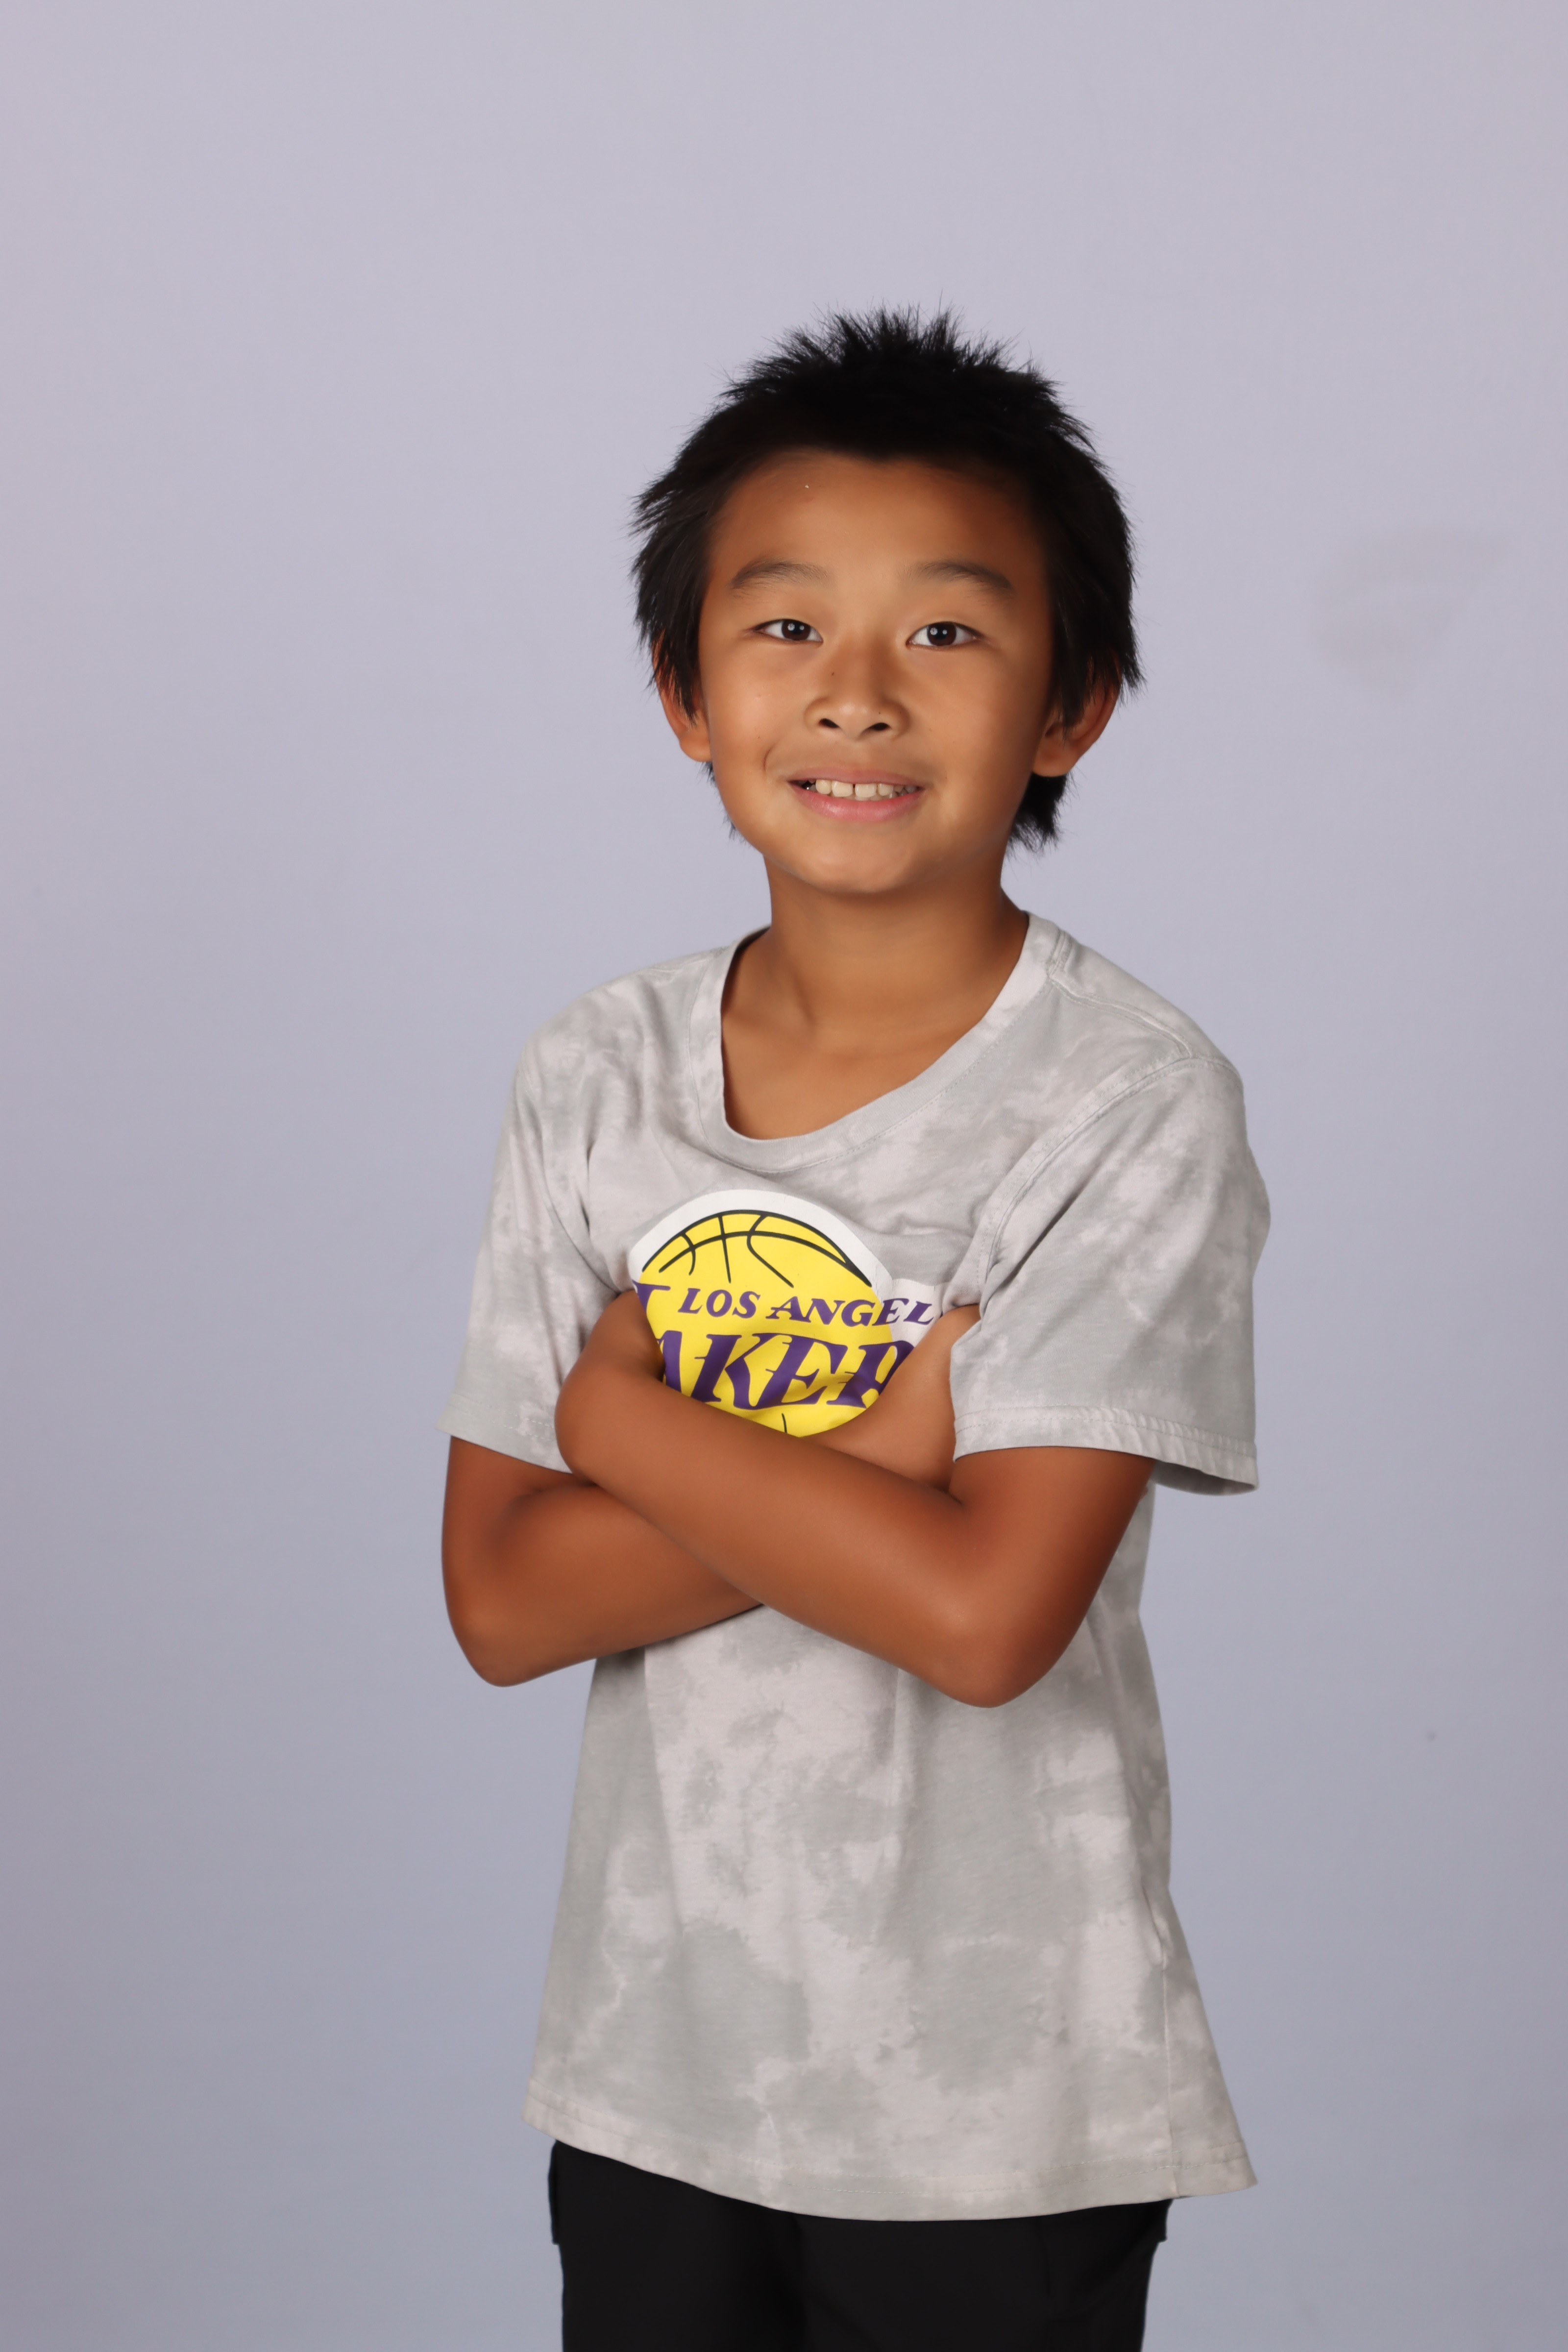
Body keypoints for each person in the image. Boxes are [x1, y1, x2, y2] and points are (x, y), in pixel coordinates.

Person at [439, 310, 1268, 2351]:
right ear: (685, 693)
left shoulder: (1124, 1098)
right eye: (786, 625)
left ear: (1069, 705)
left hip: (997, 2105)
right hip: (657, 2064)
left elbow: (982, 1622)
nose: (857, 694)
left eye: (949, 632)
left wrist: (625, 1427)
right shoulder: (597, 1073)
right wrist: (891, 1450)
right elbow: (505, 1605)